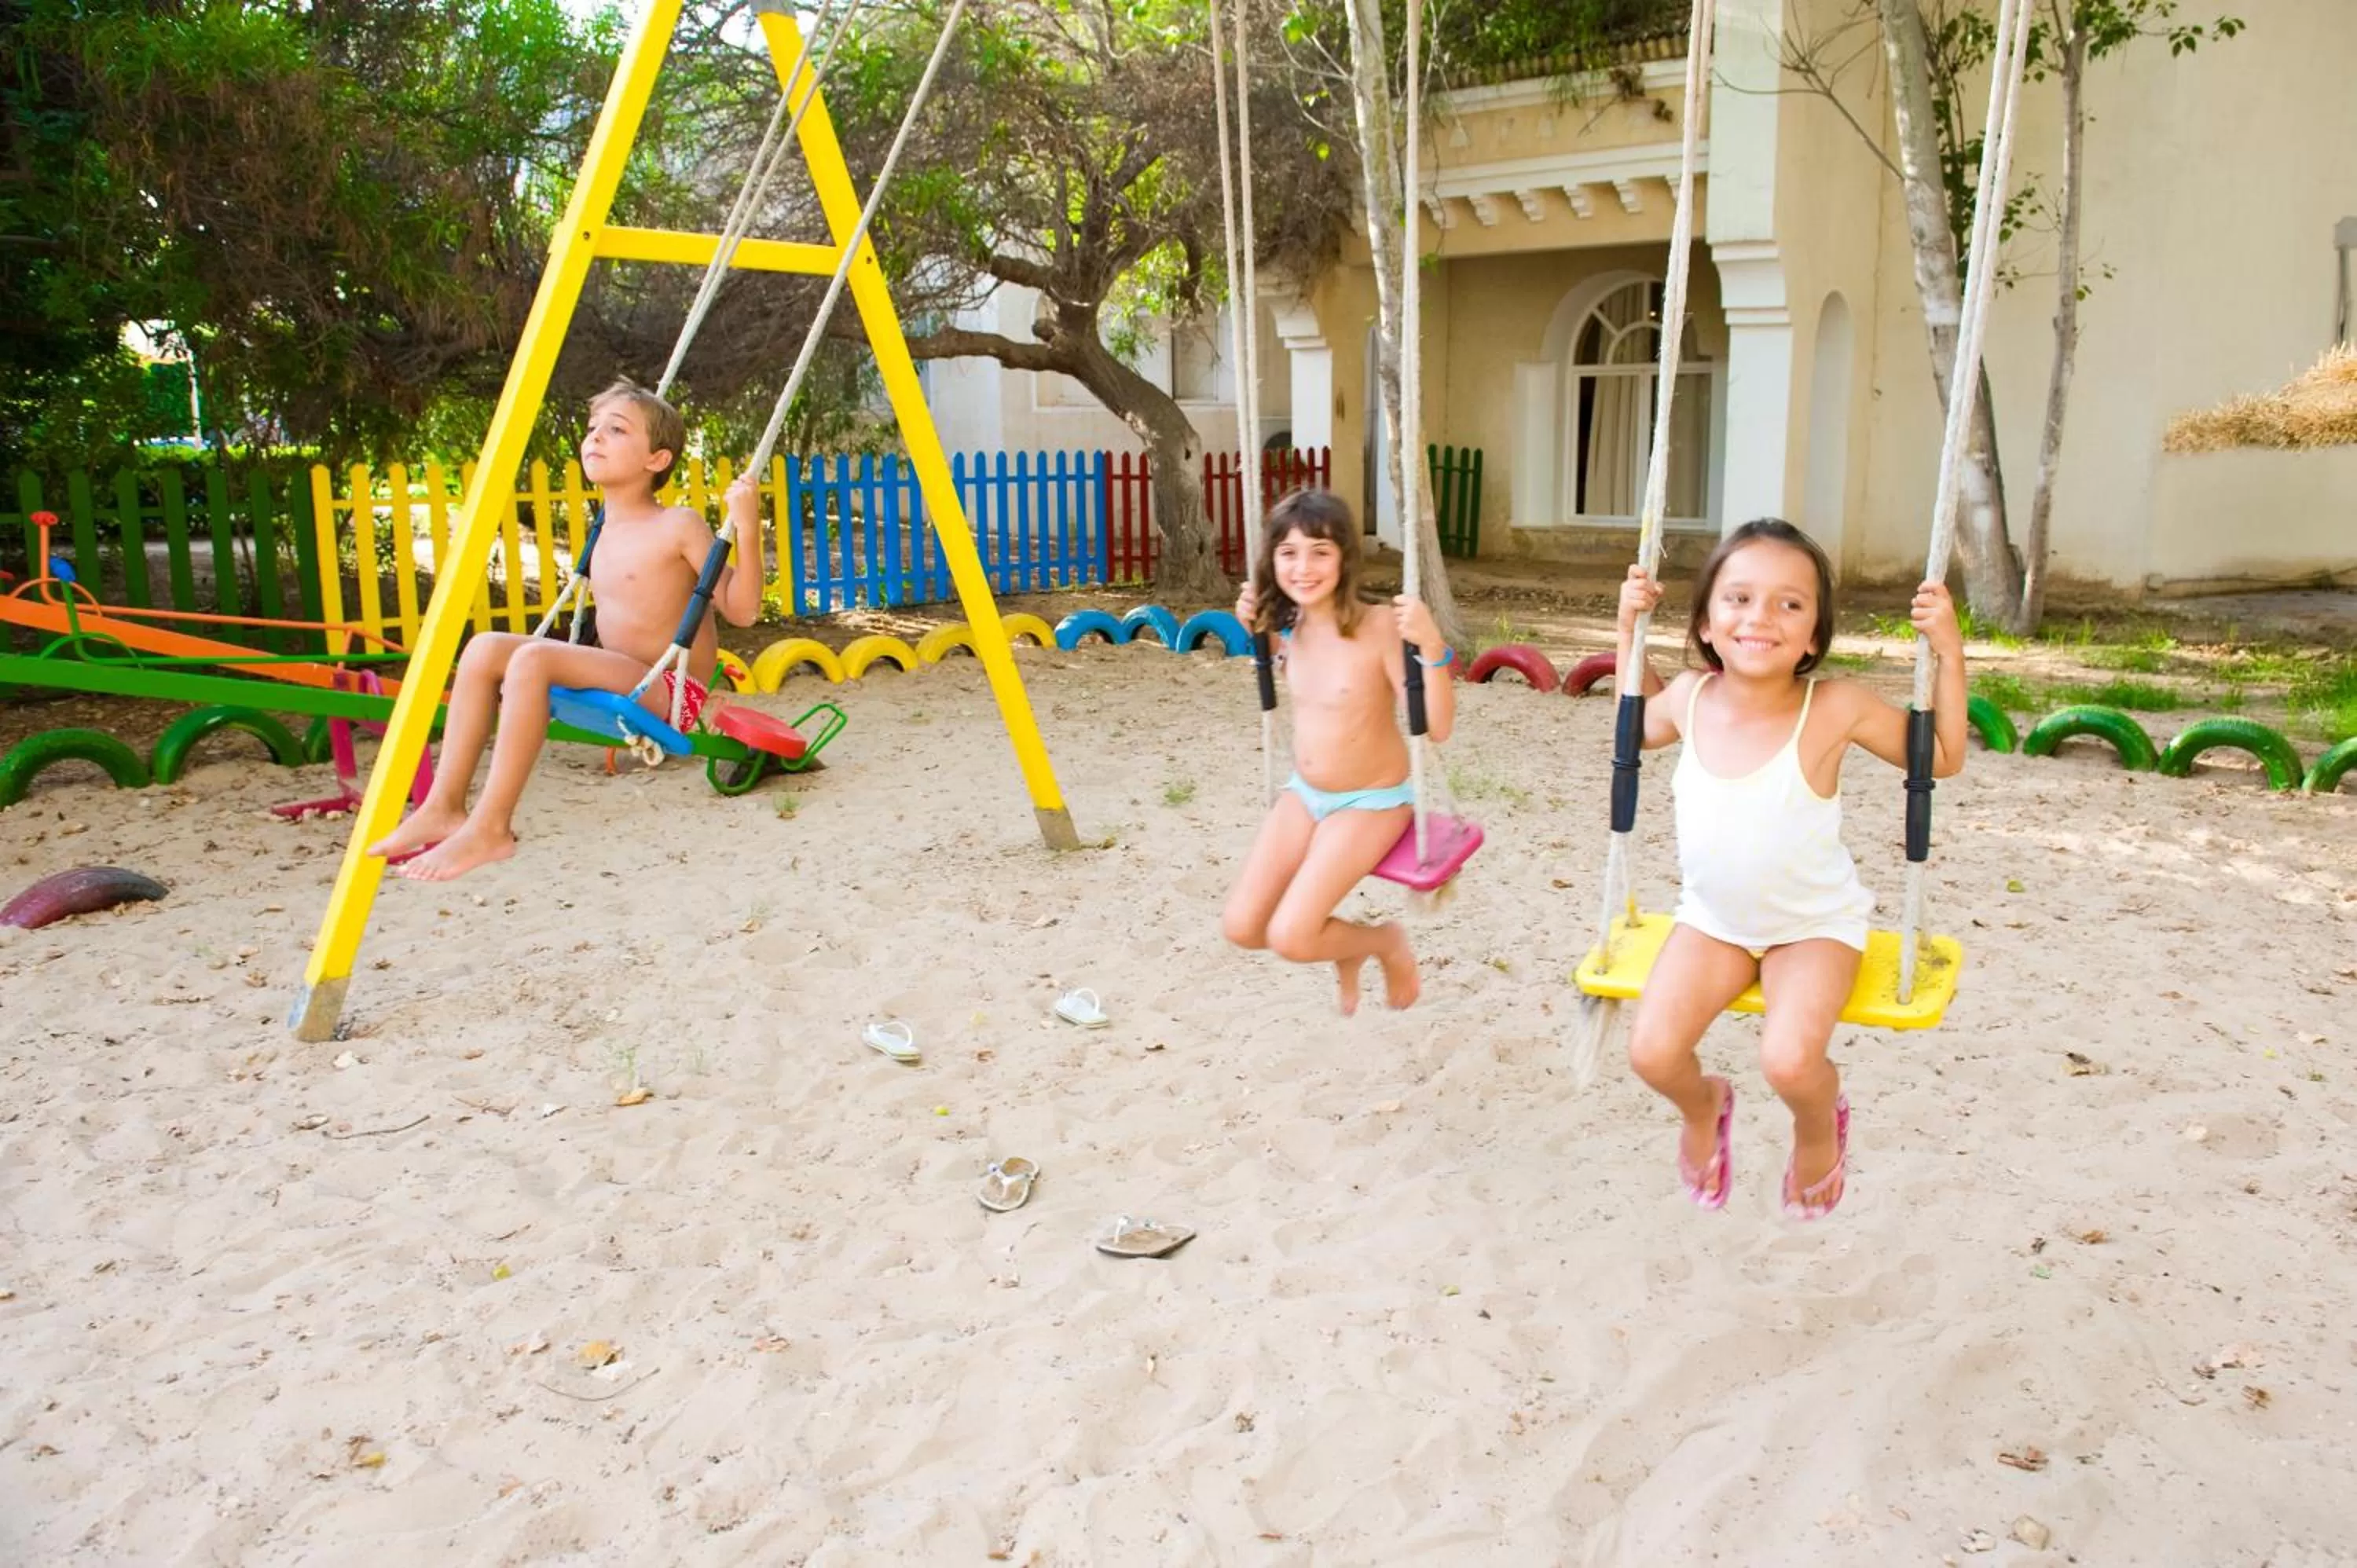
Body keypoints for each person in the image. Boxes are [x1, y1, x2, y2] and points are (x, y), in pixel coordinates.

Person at [1615, 518, 1966, 1218]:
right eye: (1739, 599)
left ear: (1813, 637)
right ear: (1708, 624)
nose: (1761, 618)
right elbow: (1635, 727)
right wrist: (1630, 629)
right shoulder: (1687, 698)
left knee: (1790, 1062)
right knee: (1652, 1054)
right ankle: (1703, 1107)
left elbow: (1943, 758)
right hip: (1712, 924)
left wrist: (1949, 652)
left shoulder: (1834, 707)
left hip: (1813, 928)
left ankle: (1815, 1126)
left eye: (1790, 604)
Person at [368, 380, 766, 881]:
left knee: (532, 660)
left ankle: (492, 826)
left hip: (669, 690)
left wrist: (746, 529)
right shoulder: (605, 524)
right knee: (484, 647)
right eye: (593, 428)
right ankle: (443, 805)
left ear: (658, 460)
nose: (596, 437)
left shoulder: (679, 524)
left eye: (617, 430)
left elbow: (743, 610)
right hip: (625, 676)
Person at [1220, 489, 1455, 1014]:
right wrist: (1253, 627)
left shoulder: (1380, 631)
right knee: (1243, 926)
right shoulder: (1291, 625)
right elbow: (1297, 670)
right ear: (1272, 562)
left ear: (1346, 557)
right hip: (1305, 796)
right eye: (1288, 552)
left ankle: (1382, 942)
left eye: (1320, 552)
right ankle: (1349, 951)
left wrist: (1433, 647)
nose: (1303, 567)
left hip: (1372, 802)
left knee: (1292, 936)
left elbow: (1436, 728)